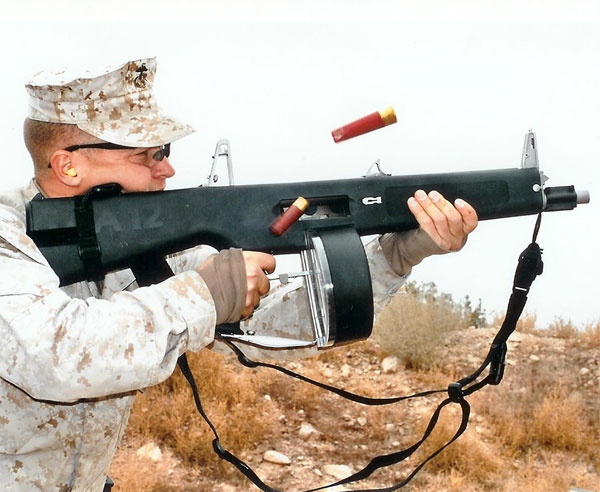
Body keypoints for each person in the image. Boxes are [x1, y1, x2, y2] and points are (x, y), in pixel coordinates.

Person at [0, 57, 478, 491]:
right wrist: (203, 294)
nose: (167, 168)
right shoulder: (8, 234)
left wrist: (399, 253)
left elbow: (273, 326)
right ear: (68, 165)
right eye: (146, 154)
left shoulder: (133, 249)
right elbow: (53, 353)